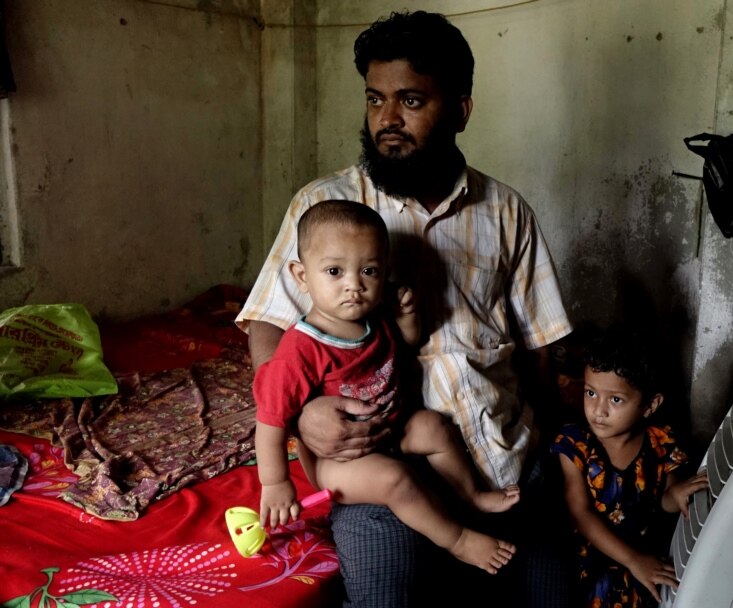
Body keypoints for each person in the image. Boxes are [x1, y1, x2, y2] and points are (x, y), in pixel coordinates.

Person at [236, 10, 574, 607]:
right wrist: (302, 415)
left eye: (411, 100)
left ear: (461, 109)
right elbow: (268, 323)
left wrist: (549, 442)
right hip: (383, 471)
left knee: (550, 599)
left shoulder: (505, 211)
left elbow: (543, 345)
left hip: (500, 458)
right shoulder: (325, 207)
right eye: (375, 99)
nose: (387, 120)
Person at [253, 201, 520, 575]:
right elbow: (270, 420)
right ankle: (458, 540)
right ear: (301, 276)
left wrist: (407, 315)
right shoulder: (300, 350)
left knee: (434, 426)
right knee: (397, 480)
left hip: (390, 428)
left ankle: (472, 495)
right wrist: (276, 481)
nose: (354, 285)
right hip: (339, 461)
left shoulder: (372, 319)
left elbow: (408, 343)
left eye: (369, 271)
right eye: (334, 271)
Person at [552, 329, 709, 607]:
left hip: (643, 553)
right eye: (591, 393)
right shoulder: (575, 443)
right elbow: (580, 514)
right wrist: (633, 561)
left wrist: (680, 494)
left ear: (650, 405)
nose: (598, 410)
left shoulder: (661, 441)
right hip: (588, 558)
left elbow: (666, 500)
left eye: (615, 400)